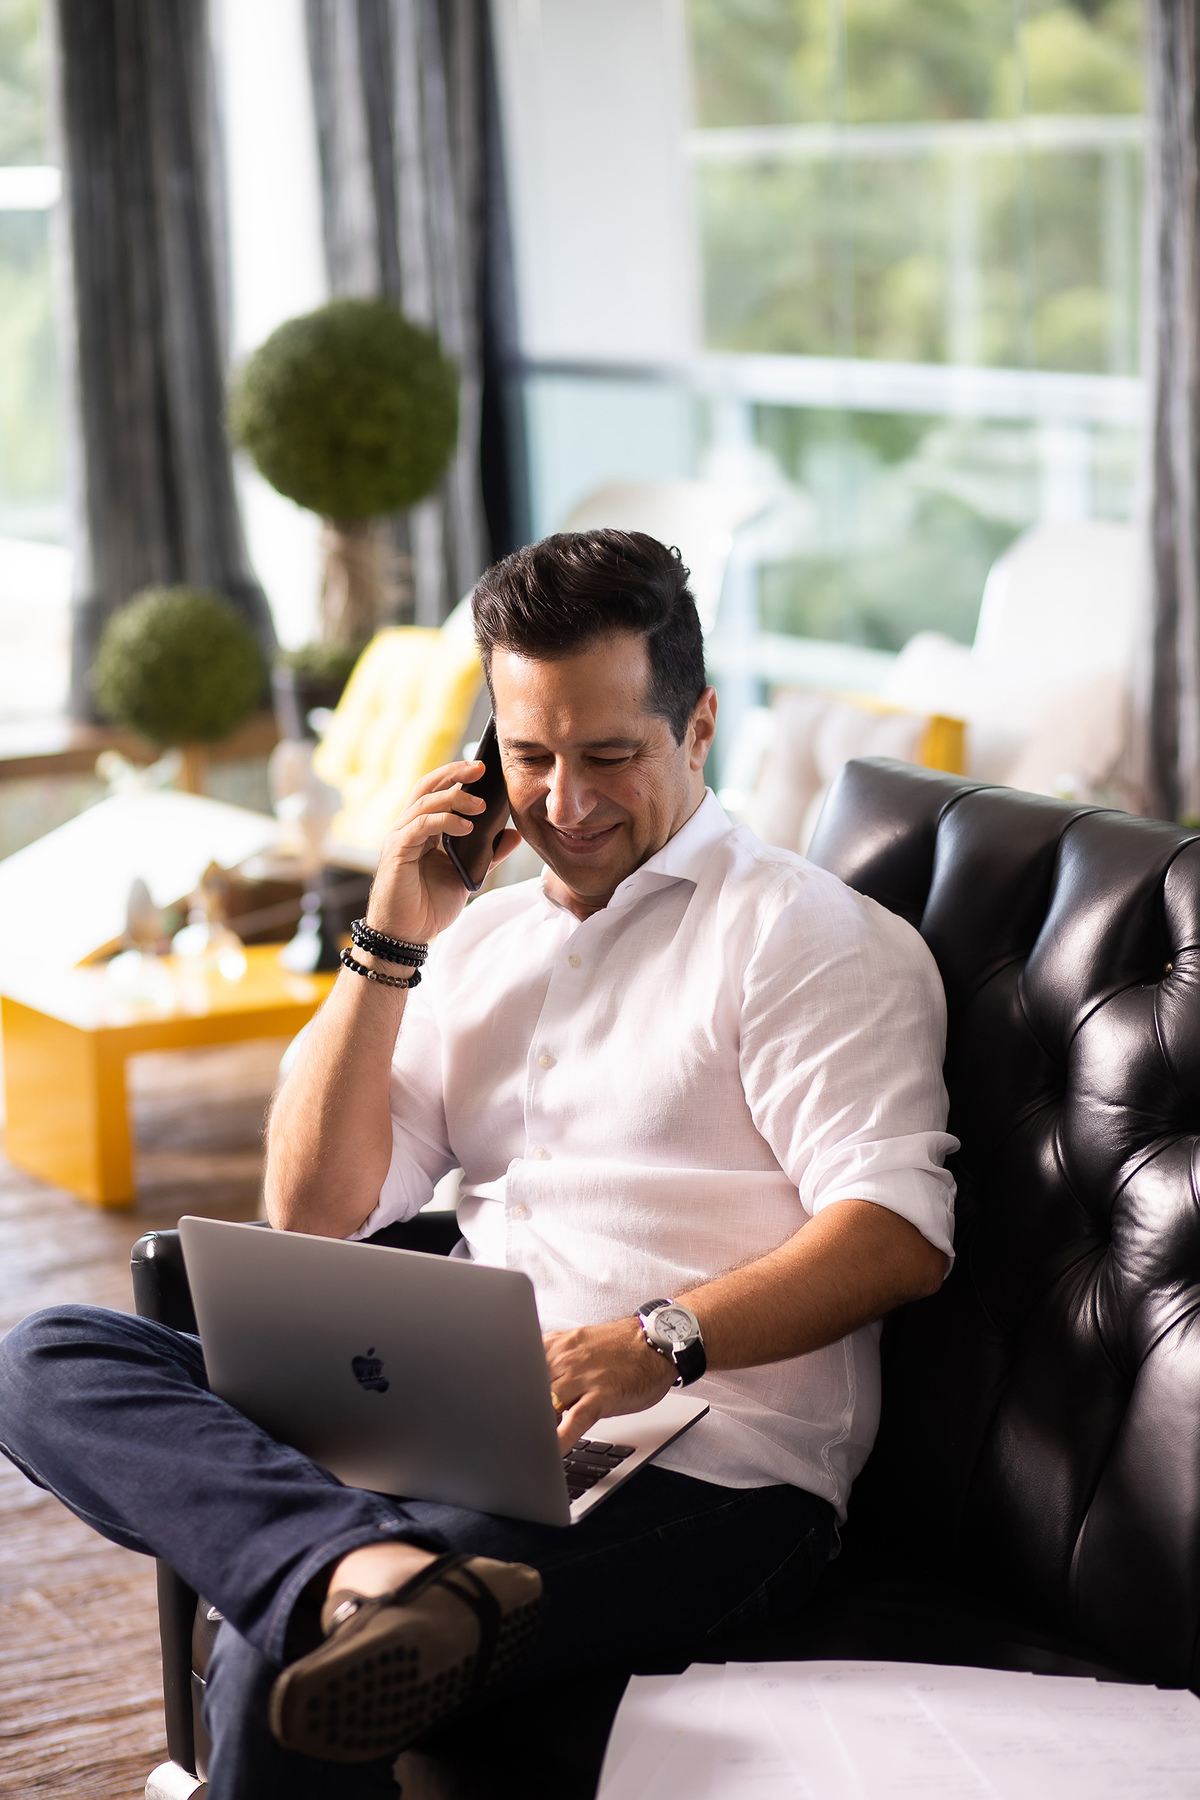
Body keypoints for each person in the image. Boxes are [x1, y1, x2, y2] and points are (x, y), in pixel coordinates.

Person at [0, 529, 956, 1800]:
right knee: (47, 1354)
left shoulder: (804, 936)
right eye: (530, 756)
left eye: (610, 755)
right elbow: (315, 1210)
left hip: (707, 1466)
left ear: (700, 727)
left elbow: (896, 1232)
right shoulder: (475, 943)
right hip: (457, 1421)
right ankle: (364, 1568)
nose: (565, 803)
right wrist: (390, 934)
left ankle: (345, 1581)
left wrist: (655, 1340)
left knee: (289, 1661)